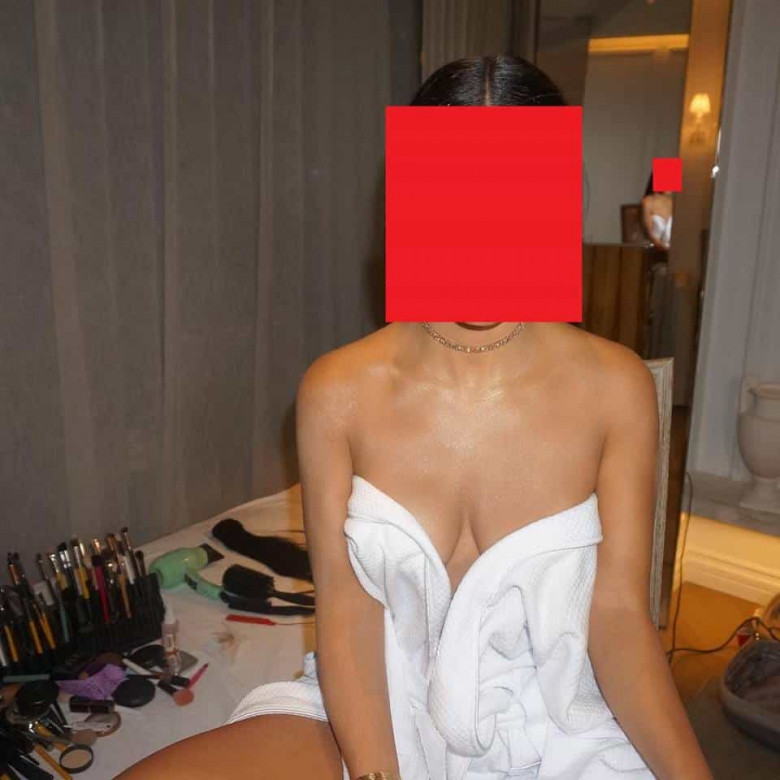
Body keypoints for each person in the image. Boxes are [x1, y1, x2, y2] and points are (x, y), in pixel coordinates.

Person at [117, 56, 712, 780]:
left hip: (553, 721)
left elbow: (617, 616)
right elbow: (346, 614)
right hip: (377, 703)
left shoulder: (616, 388)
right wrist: (378, 772)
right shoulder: (337, 390)